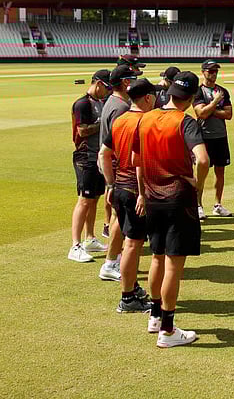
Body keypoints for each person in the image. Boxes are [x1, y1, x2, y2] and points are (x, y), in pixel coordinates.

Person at [136, 71, 210, 347]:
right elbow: (202, 160)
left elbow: (138, 160)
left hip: (153, 196)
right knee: (173, 265)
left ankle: (155, 316)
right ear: (191, 99)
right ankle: (167, 329)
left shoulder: (147, 118)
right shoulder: (186, 121)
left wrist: (142, 193)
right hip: (178, 198)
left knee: (156, 257)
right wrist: (198, 185)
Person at [99, 78, 157, 313]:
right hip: (136, 189)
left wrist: (110, 184)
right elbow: (140, 162)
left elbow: (104, 154)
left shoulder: (120, 119)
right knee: (133, 243)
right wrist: (144, 193)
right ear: (147, 98)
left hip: (120, 187)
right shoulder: (145, 122)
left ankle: (131, 287)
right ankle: (128, 297)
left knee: (129, 240)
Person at [95, 64, 138, 280]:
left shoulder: (111, 102)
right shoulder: (121, 107)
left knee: (117, 216)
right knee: (120, 218)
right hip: (119, 169)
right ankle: (111, 262)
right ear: (126, 83)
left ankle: (114, 259)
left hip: (112, 166)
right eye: (133, 78)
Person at [68, 70, 112, 262]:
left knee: (94, 198)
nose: (108, 91)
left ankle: (90, 237)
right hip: (85, 155)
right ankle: (75, 245)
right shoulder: (83, 104)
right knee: (84, 199)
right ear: (99, 84)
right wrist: (102, 123)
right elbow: (82, 131)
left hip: (98, 156)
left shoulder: (102, 102)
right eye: (107, 87)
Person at [193, 60, 234, 217]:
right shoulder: (198, 92)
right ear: (203, 72)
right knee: (201, 173)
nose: (213, 74)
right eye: (210, 71)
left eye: (215, 71)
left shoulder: (223, 91)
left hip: (220, 136)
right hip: (204, 137)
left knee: (220, 172)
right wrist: (216, 103)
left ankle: (218, 205)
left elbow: (229, 115)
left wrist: (209, 109)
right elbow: (200, 113)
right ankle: (198, 204)